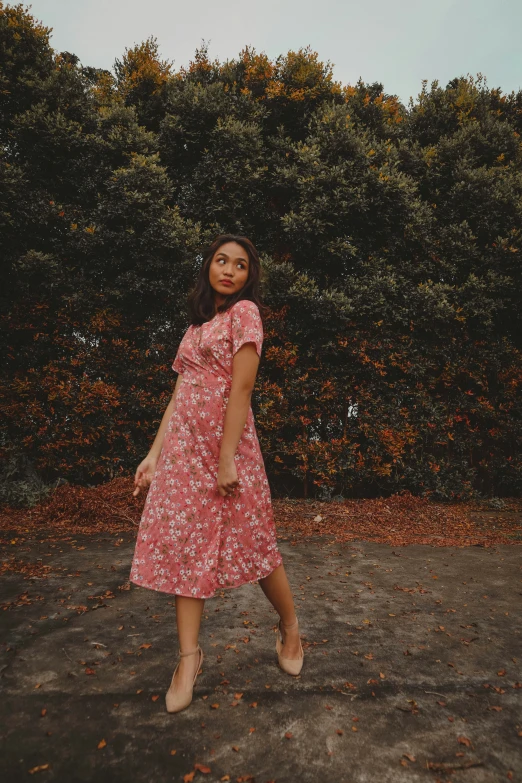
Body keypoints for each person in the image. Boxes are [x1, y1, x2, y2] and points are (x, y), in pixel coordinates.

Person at [129, 234, 304, 713]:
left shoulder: (245, 315)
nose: (228, 270)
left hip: (227, 448)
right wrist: (153, 454)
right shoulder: (198, 324)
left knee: (257, 544)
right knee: (187, 551)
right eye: (221, 261)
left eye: (240, 265)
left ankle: (290, 628)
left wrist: (227, 458)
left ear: (250, 276)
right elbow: (179, 394)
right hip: (184, 452)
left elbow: (242, 389)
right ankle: (189, 659)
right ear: (208, 267)